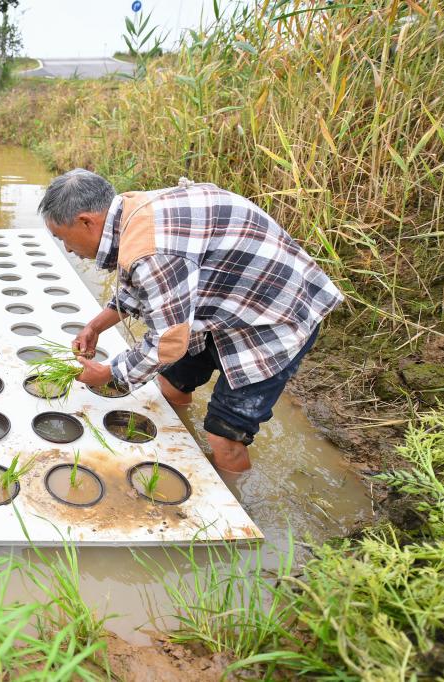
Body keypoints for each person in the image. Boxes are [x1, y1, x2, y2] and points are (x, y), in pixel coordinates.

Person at [38, 169, 343, 473]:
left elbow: (165, 343)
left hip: (273, 316)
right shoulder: (134, 211)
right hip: (221, 301)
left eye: (63, 238)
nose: (67, 249)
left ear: (86, 221)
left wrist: (108, 374)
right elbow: (144, 287)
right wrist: (95, 326)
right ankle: (181, 445)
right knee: (171, 383)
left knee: (224, 434)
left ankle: (231, 489)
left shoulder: (151, 248)